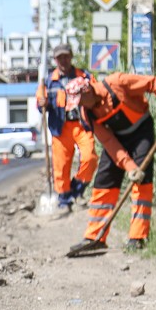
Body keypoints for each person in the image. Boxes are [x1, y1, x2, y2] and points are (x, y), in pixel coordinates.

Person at [66, 72, 156, 252]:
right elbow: (108, 141)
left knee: (142, 181)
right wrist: (129, 166)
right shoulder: (87, 113)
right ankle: (95, 236)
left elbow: (153, 82)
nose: (79, 105)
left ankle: (137, 237)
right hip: (117, 140)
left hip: (141, 131)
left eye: (80, 100)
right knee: (104, 182)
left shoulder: (117, 82)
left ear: (88, 91)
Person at [35, 42, 97, 211]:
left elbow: (96, 95)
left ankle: (76, 188)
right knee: (61, 166)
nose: (63, 60)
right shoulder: (48, 81)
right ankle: (64, 199)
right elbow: (40, 104)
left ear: (71, 57)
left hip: (82, 125)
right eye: (60, 57)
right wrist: (42, 103)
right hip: (60, 128)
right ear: (55, 60)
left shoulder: (84, 76)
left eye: (66, 56)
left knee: (90, 158)